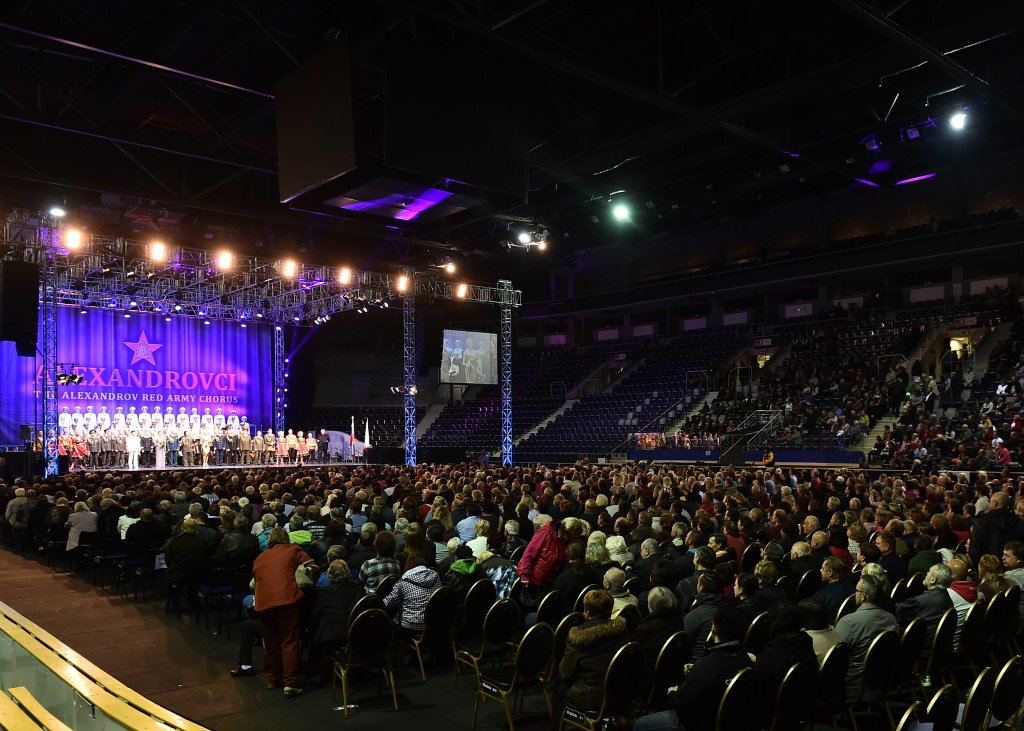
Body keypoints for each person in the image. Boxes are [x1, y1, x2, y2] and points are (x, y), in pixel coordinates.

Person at [633, 605, 753, 731]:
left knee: (640, 724)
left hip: (699, 723)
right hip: (734, 722)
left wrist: (673, 693)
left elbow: (681, 703)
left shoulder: (707, 665)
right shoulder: (746, 659)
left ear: (714, 628)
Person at [252, 527, 317, 698]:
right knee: (290, 642)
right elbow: (312, 568)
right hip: (287, 600)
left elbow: (255, 580)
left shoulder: (260, 557)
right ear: (286, 539)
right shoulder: (294, 550)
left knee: (271, 643)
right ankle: (290, 683)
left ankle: (273, 678)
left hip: (264, 603)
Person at [555, 589, 629, 711]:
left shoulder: (577, 637)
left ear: (587, 611)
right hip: (619, 693)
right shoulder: (622, 630)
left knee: (557, 689)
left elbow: (565, 672)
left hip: (591, 697)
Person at [835, 574, 897, 699]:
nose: (855, 594)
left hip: (852, 686)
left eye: (857, 590)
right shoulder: (892, 619)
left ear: (863, 596)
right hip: (884, 683)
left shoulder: (849, 622)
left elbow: (835, 660)